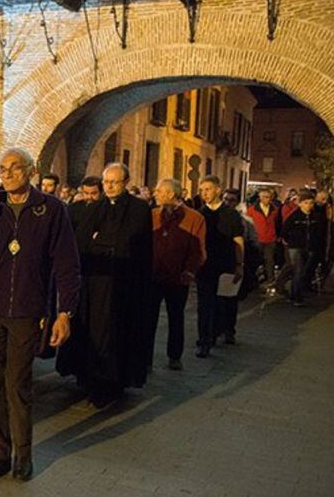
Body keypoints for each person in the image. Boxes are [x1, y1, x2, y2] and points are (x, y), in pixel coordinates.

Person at [0, 148, 80, 482]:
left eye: (15, 168)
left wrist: (65, 312)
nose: (8, 174)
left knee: (18, 385)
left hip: (26, 313)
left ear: (31, 171)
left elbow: (67, 264)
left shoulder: (51, 209)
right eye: (2, 169)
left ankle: (23, 456)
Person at [56, 163, 153, 408]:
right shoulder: (94, 207)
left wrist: (101, 241)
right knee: (91, 330)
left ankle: (112, 382)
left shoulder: (139, 210)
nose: (109, 186)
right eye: (106, 182)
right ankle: (88, 377)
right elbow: (81, 242)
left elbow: (133, 245)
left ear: (126, 182)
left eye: (114, 182)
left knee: (115, 332)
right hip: (92, 283)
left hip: (122, 285)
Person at [148, 179, 206, 371]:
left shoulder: (194, 218)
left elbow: (198, 249)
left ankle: (174, 356)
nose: (155, 194)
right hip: (154, 276)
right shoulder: (153, 215)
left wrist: (189, 271)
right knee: (149, 318)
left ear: (171, 194)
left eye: (159, 191)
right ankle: (145, 357)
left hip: (178, 278)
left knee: (176, 317)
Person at [195, 176, 244, 358]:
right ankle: (204, 341)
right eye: (202, 190)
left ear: (218, 190)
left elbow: (238, 240)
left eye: (208, 189)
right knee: (204, 304)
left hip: (225, 265)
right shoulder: (200, 213)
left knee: (222, 302)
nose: (204, 193)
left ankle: (218, 331)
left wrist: (239, 264)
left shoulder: (231, 214)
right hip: (205, 266)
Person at [282, 189, 327, 306]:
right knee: (298, 270)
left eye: (311, 203)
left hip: (310, 247)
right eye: (306, 203)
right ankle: (296, 297)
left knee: (304, 272)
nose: (309, 206)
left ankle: (293, 294)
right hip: (295, 246)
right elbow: (285, 230)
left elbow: (320, 233)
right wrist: (289, 241)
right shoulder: (294, 216)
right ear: (300, 203)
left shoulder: (316, 217)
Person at [247, 187, 281, 284]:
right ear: (260, 197)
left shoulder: (275, 210)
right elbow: (249, 223)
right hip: (257, 238)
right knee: (255, 261)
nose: (268, 199)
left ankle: (270, 280)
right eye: (265, 197)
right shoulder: (252, 210)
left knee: (269, 260)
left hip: (270, 238)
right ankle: (252, 280)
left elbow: (278, 223)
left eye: (269, 197)